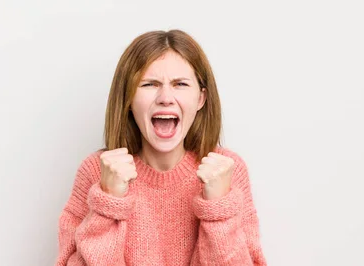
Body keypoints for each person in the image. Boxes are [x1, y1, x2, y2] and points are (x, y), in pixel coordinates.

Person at [55, 29, 266, 266]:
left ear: (201, 99)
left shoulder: (228, 171)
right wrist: (108, 202)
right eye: (150, 84)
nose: (165, 97)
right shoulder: (97, 172)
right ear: (129, 100)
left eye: (180, 84)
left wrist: (218, 210)